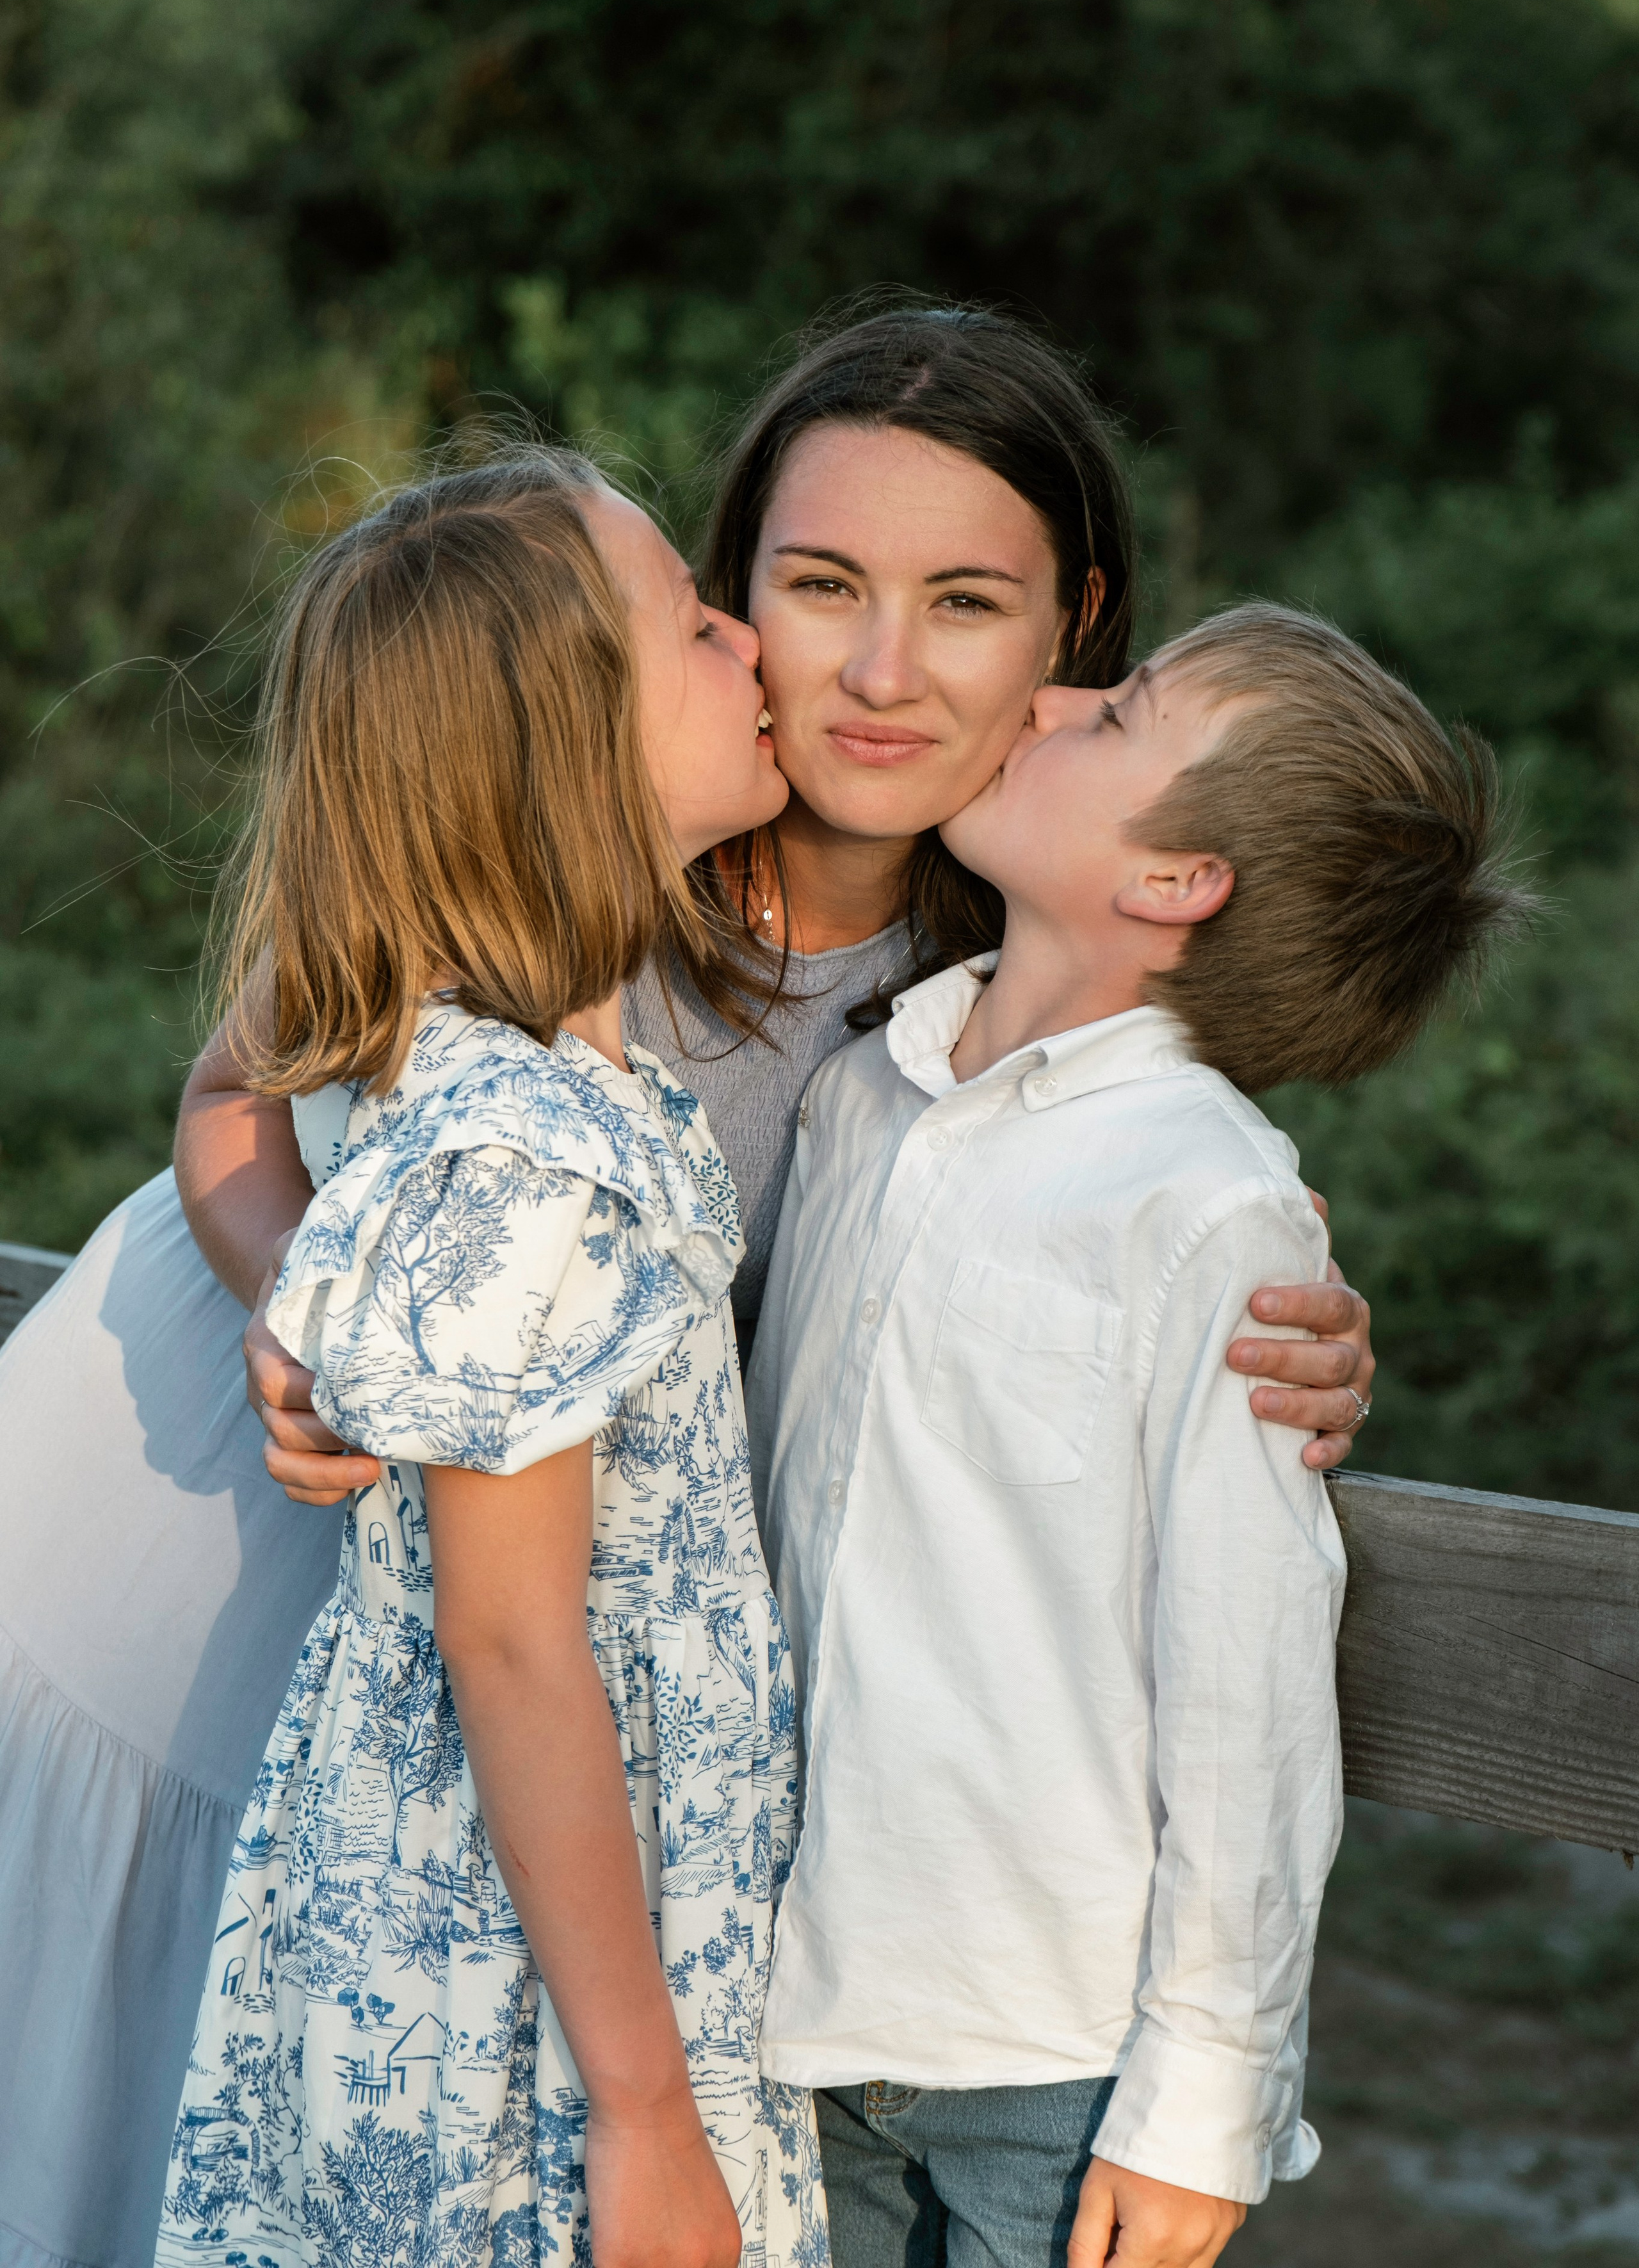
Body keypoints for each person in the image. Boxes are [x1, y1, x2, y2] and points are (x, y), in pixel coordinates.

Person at [0, 306, 1371, 2268]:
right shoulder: (568, 838)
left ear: (1076, 629)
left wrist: (1283, 1319)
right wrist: (309, 1301)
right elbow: (238, 1088)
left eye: (966, 602)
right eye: (816, 588)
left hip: (522, 1677)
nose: (881, 671)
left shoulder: (1029, 987)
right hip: (217, 1550)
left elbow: (1129, 1274)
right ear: (730, 604)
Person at [748, 606, 1531, 2268]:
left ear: (1176, 883)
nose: (1053, 701)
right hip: (786, 1998)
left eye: (1118, 717)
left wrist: (1208, 2103)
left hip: (1059, 2051)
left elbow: (1249, 1693)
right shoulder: (858, 1097)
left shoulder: (1211, 1206)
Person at [153, 444, 826, 2264]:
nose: (751, 646)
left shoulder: (437, 1041)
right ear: (570, 753)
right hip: (526, 1970)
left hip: (441, 1889)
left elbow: (224, 1089)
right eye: (696, 624)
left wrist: (312, 1306)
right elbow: (515, 1638)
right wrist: (646, 2108)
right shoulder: (529, 1155)